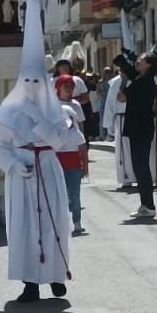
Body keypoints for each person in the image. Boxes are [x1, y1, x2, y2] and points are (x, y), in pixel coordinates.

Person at [0, 0, 74, 304]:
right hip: (22, 175)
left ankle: (54, 275)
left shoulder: (55, 110)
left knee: (54, 222)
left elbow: (62, 141)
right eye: (29, 82)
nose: (34, 87)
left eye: (39, 82)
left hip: (48, 169)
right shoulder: (10, 110)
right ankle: (29, 282)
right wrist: (13, 165)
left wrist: (39, 120)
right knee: (24, 227)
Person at [115, 51, 157, 219]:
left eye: (141, 61)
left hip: (138, 128)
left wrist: (124, 80)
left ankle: (148, 205)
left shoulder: (141, 82)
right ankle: (146, 205)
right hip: (143, 127)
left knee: (140, 168)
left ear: (149, 64)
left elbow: (121, 98)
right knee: (141, 167)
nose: (138, 63)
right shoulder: (146, 80)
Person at [54, 75, 90, 236]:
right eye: (65, 86)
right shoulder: (52, 107)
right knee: (59, 194)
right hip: (57, 163)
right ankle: (59, 223)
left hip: (73, 164)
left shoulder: (76, 133)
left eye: (71, 86)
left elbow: (82, 147)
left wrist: (85, 166)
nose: (68, 89)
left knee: (74, 194)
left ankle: (77, 221)